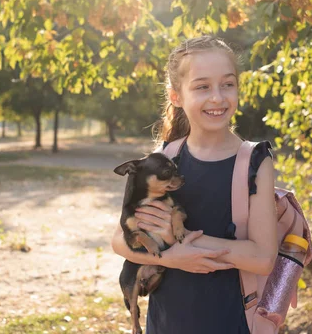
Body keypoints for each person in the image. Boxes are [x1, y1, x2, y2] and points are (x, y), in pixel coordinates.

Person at [111, 36, 278, 334]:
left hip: (231, 321)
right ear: (176, 96)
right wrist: (172, 257)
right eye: (202, 87)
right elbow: (119, 241)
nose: (217, 97)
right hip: (166, 323)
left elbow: (264, 259)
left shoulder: (255, 162)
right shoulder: (162, 159)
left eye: (227, 84)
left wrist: (183, 242)